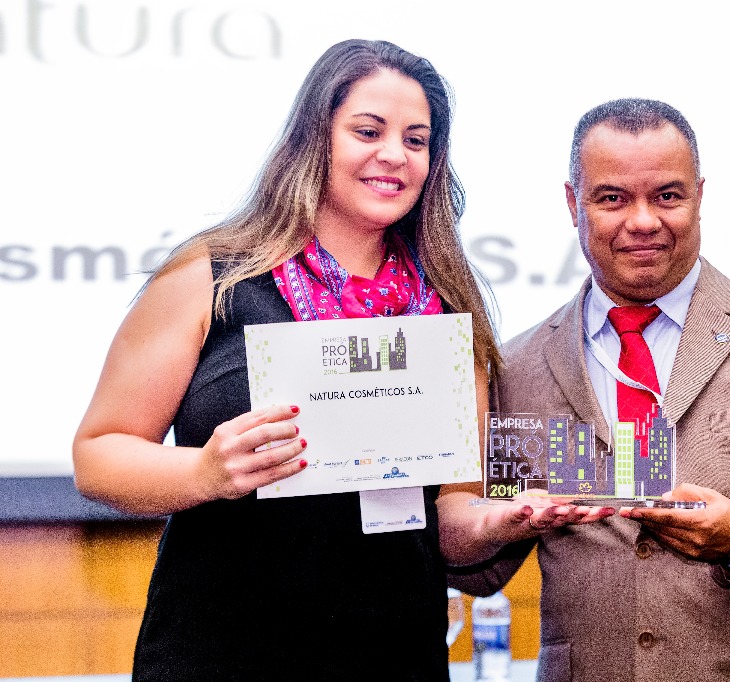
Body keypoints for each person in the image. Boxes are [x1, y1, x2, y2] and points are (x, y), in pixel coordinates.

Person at [72, 39, 507, 682]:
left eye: (416, 140)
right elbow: (98, 454)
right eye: (368, 131)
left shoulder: (445, 306)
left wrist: (504, 521)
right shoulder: (213, 275)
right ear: (315, 138)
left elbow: (454, 509)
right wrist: (205, 473)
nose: (394, 154)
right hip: (220, 656)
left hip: (395, 657)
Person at [443, 99, 730, 681]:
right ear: (573, 204)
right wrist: (494, 520)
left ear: (699, 197)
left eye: (667, 196)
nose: (642, 221)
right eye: (612, 198)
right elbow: (481, 573)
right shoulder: (517, 365)